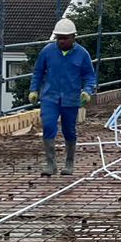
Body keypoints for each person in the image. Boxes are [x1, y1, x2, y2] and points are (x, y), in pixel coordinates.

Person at [27, 17, 97, 176]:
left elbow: (89, 76)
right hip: (50, 97)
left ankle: (69, 162)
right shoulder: (47, 52)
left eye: (65, 38)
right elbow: (38, 72)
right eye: (59, 38)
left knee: (69, 130)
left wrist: (87, 91)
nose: (62, 41)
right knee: (49, 126)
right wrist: (34, 90)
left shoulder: (82, 54)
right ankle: (51, 164)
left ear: (73, 37)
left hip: (71, 98)